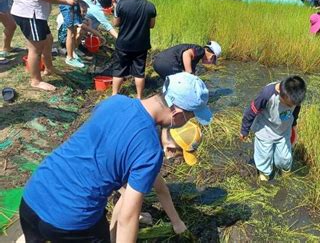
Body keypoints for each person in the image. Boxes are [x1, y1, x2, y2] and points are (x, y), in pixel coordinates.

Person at [19, 71, 212, 242]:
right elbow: (128, 218)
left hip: (33, 194)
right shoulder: (150, 151)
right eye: (190, 116)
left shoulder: (115, 101)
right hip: (73, 219)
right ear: (177, 114)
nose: (187, 121)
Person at [240, 76, 306, 181]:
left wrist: (294, 128)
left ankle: (285, 175)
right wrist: (244, 130)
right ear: (280, 92)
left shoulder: (295, 100)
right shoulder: (267, 94)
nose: (290, 107)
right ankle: (264, 177)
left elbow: (295, 114)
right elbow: (251, 111)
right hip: (265, 129)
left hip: (283, 130)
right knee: (265, 157)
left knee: (284, 159)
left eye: (292, 105)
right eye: (287, 104)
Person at [112, 0, 156, 99]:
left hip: (123, 44)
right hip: (141, 45)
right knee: (139, 72)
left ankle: (114, 95)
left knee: (119, 70)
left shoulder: (121, 4)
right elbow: (151, 25)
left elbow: (116, 23)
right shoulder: (150, 6)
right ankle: (139, 97)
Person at [153, 41, 222, 79]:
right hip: (168, 63)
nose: (211, 63)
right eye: (213, 61)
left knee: (170, 85)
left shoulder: (196, 56)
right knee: (180, 84)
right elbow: (186, 54)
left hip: (157, 61)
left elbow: (192, 71)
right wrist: (189, 74)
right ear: (212, 56)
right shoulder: (200, 50)